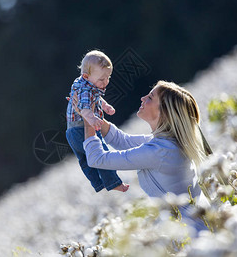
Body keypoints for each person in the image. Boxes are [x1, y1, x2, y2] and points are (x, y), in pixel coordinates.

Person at [74, 80, 211, 230]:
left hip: (190, 236)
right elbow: (121, 140)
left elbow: (97, 159)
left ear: (163, 113)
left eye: (150, 97)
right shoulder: (167, 144)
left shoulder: (160, 151)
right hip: (193, 229)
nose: (143, 98)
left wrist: (88, 121)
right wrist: (91, 112)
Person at [66, 50, 129, 193]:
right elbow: (85, 108)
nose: (106, 82)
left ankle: (98, 183)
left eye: (108, 77)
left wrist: (105, 106)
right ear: (86, 76)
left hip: (71, 132)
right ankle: (114, 183)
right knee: (101, 154)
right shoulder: (86, 91)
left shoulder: (84, 85)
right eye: (102, 79)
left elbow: (95, 98)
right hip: (82, 130)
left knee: (85, 161)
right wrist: (93, 119)